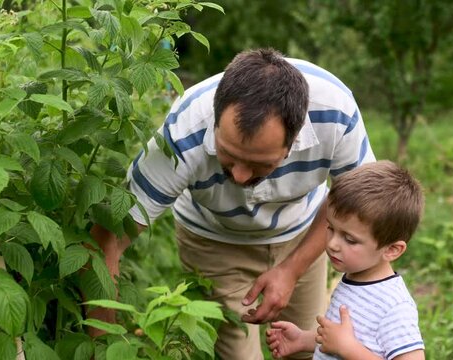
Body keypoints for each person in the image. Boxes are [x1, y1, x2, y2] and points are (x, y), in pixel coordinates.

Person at [88, 48, 375, 359]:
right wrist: (103, 350)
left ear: (294, 141)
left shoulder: (334, 113)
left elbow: (353, 203)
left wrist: (292, 270)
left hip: (302, 233)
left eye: (259, 164)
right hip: (214, 240)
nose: (238, 177)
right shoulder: (185, 131)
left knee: (307, 351)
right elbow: (107, 241)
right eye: (228, 154)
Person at [265, 160, 425, 360]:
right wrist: (304, 340)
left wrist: (348, 349)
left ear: (392, 249)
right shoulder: (356, 277)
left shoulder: (393, 305)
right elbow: (350, 337)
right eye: (330, 228)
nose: (332, 244)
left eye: (349, 239)